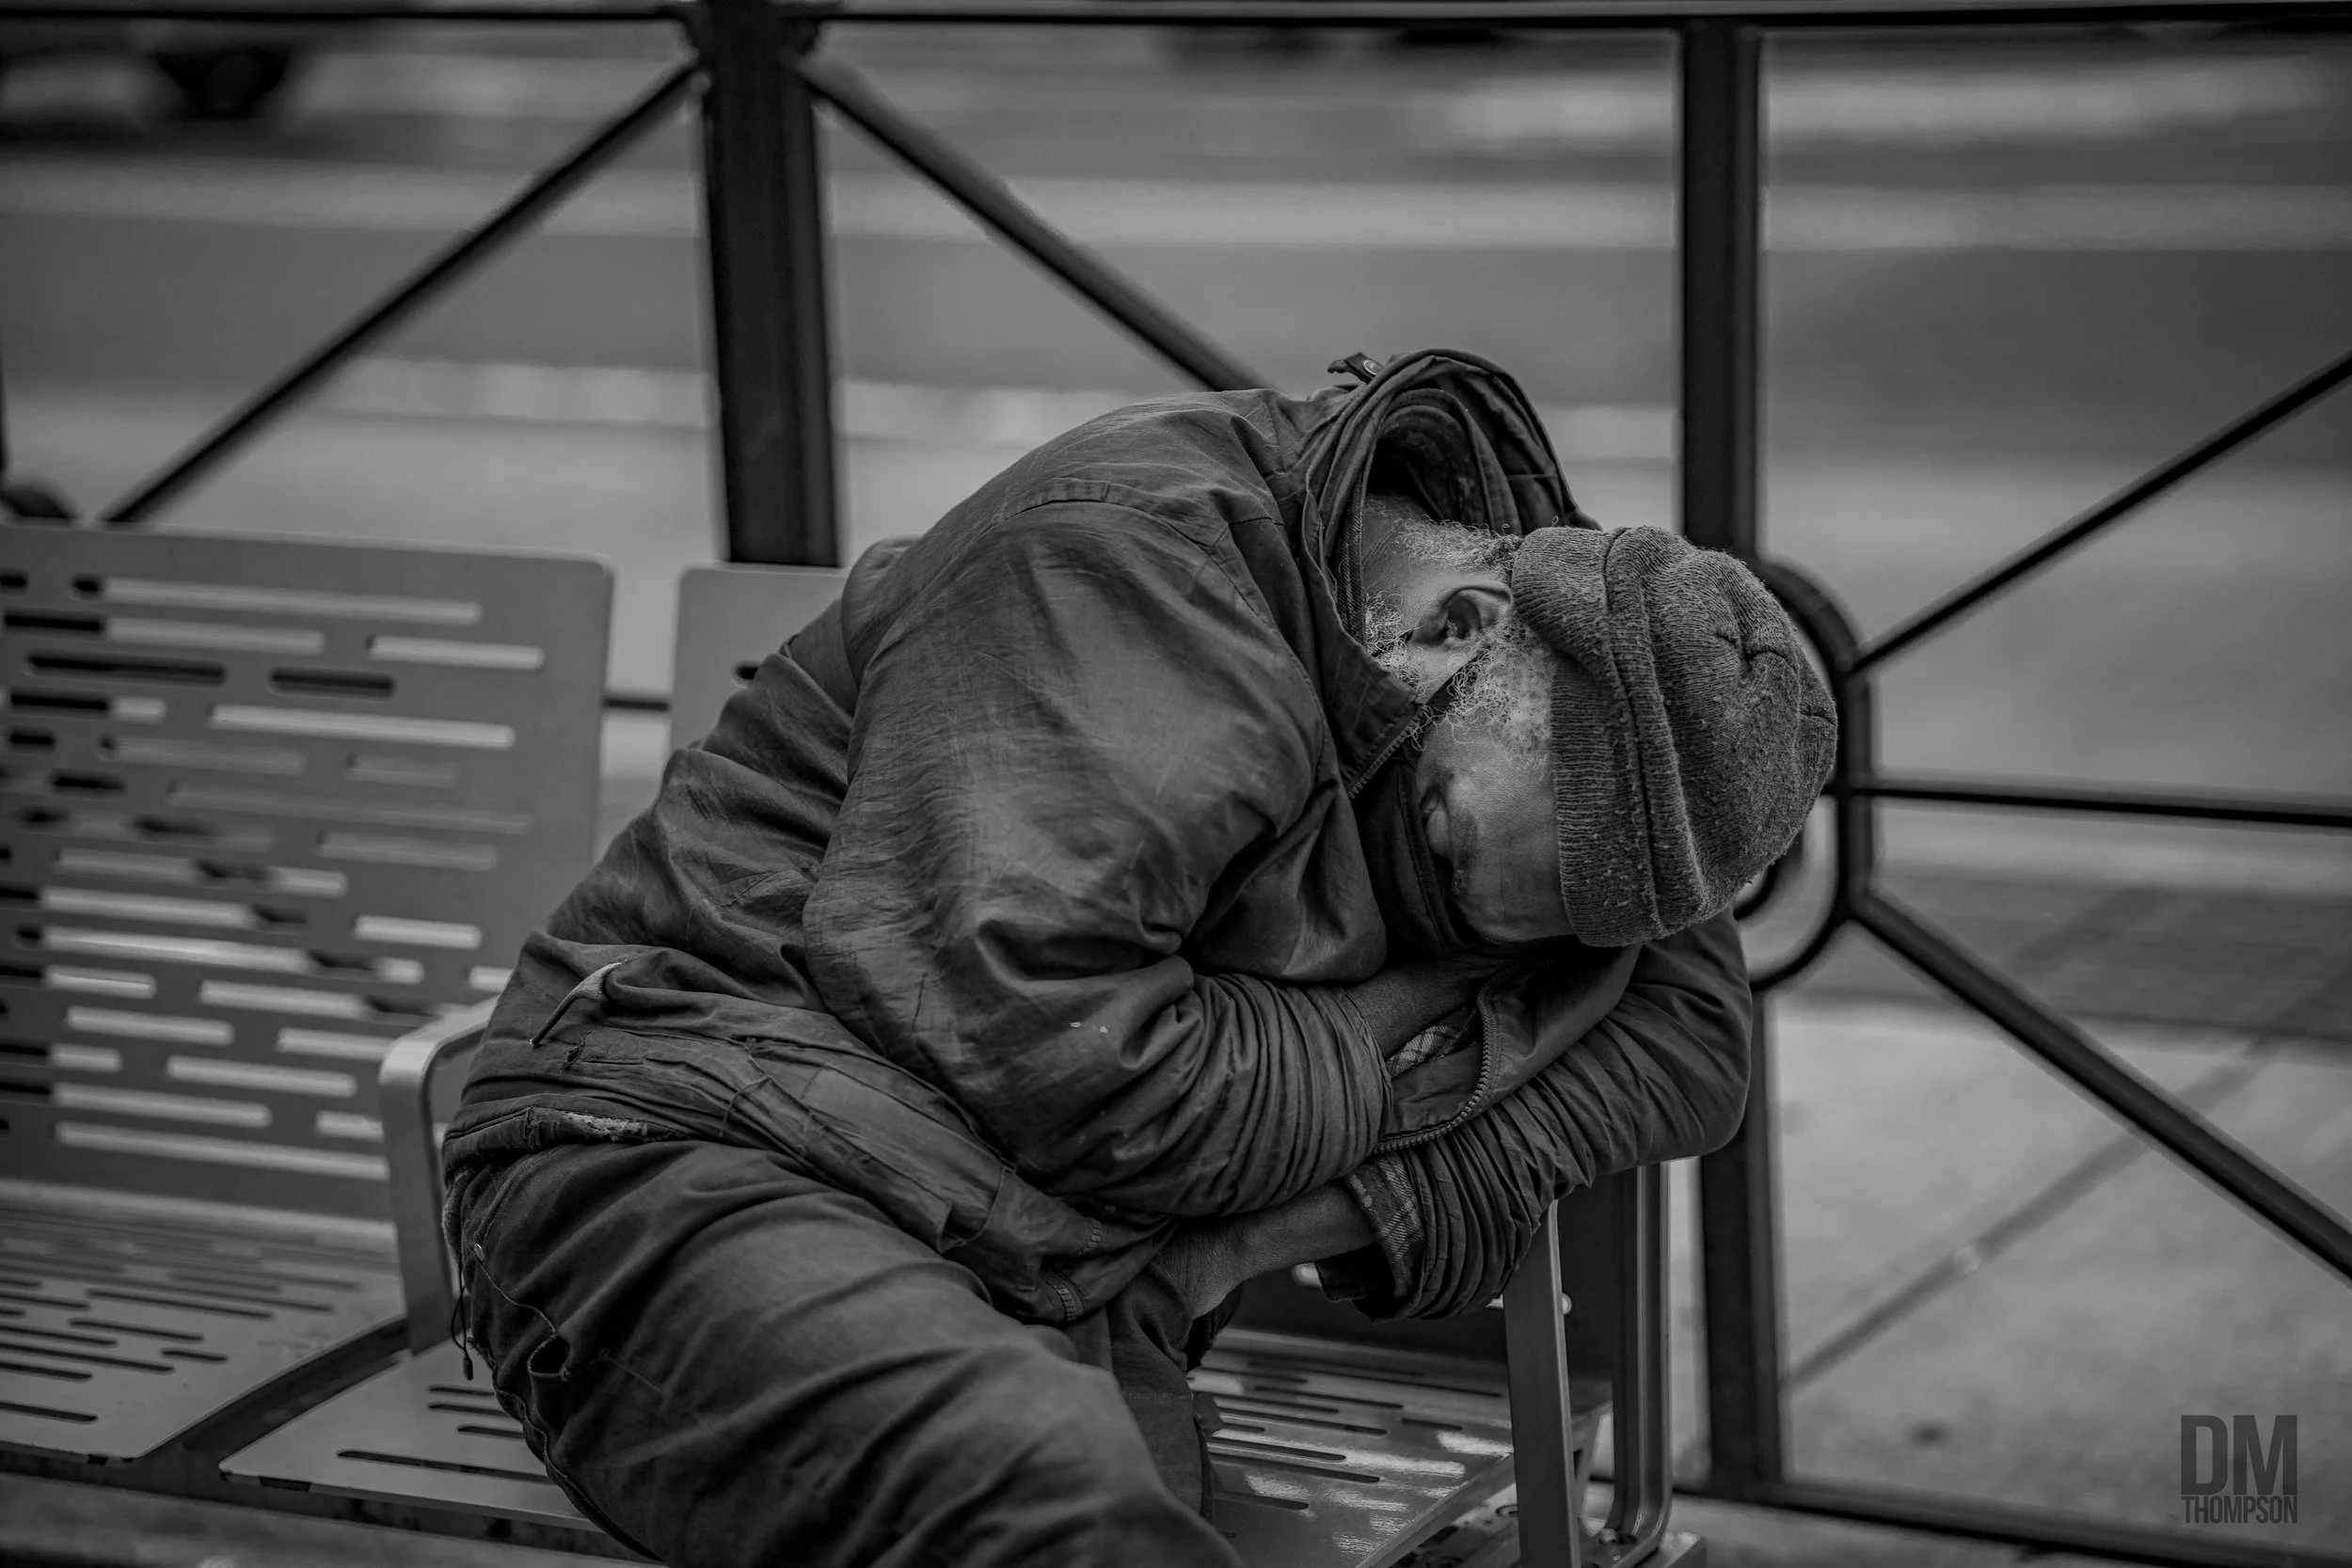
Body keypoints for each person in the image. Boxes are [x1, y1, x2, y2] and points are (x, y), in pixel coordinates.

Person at [440, 349, 1836, 1568]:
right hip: (683, 1155)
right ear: (1458, 631)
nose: (1453, 926)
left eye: (1515, 944)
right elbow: (1093, 1078)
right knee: (1043, 1499)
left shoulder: (1602, 700)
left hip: (1072, 1271)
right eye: (1443, 840)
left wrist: (1252, 1231)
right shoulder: (1133, 559)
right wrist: (1423, 1031)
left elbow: (1696, 1046)